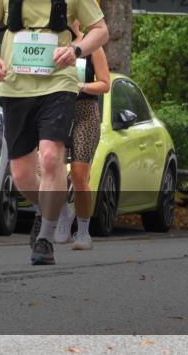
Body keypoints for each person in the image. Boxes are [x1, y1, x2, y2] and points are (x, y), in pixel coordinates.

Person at [0, 0, 108, 266]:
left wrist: (77, 50)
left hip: (58, 83)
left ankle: (46, 238)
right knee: (21, 174)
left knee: (51, 156)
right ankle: (53, 210)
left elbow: (100, 30)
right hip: (15, 86)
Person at [54, 20, 111, 251]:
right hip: (57, 111)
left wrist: (82, 85)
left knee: (79, 175)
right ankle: (63, 214)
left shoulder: (92, 46)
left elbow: (105, 84)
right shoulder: (54, 43)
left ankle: (83, 230)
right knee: (49, 168)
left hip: (85, 112)